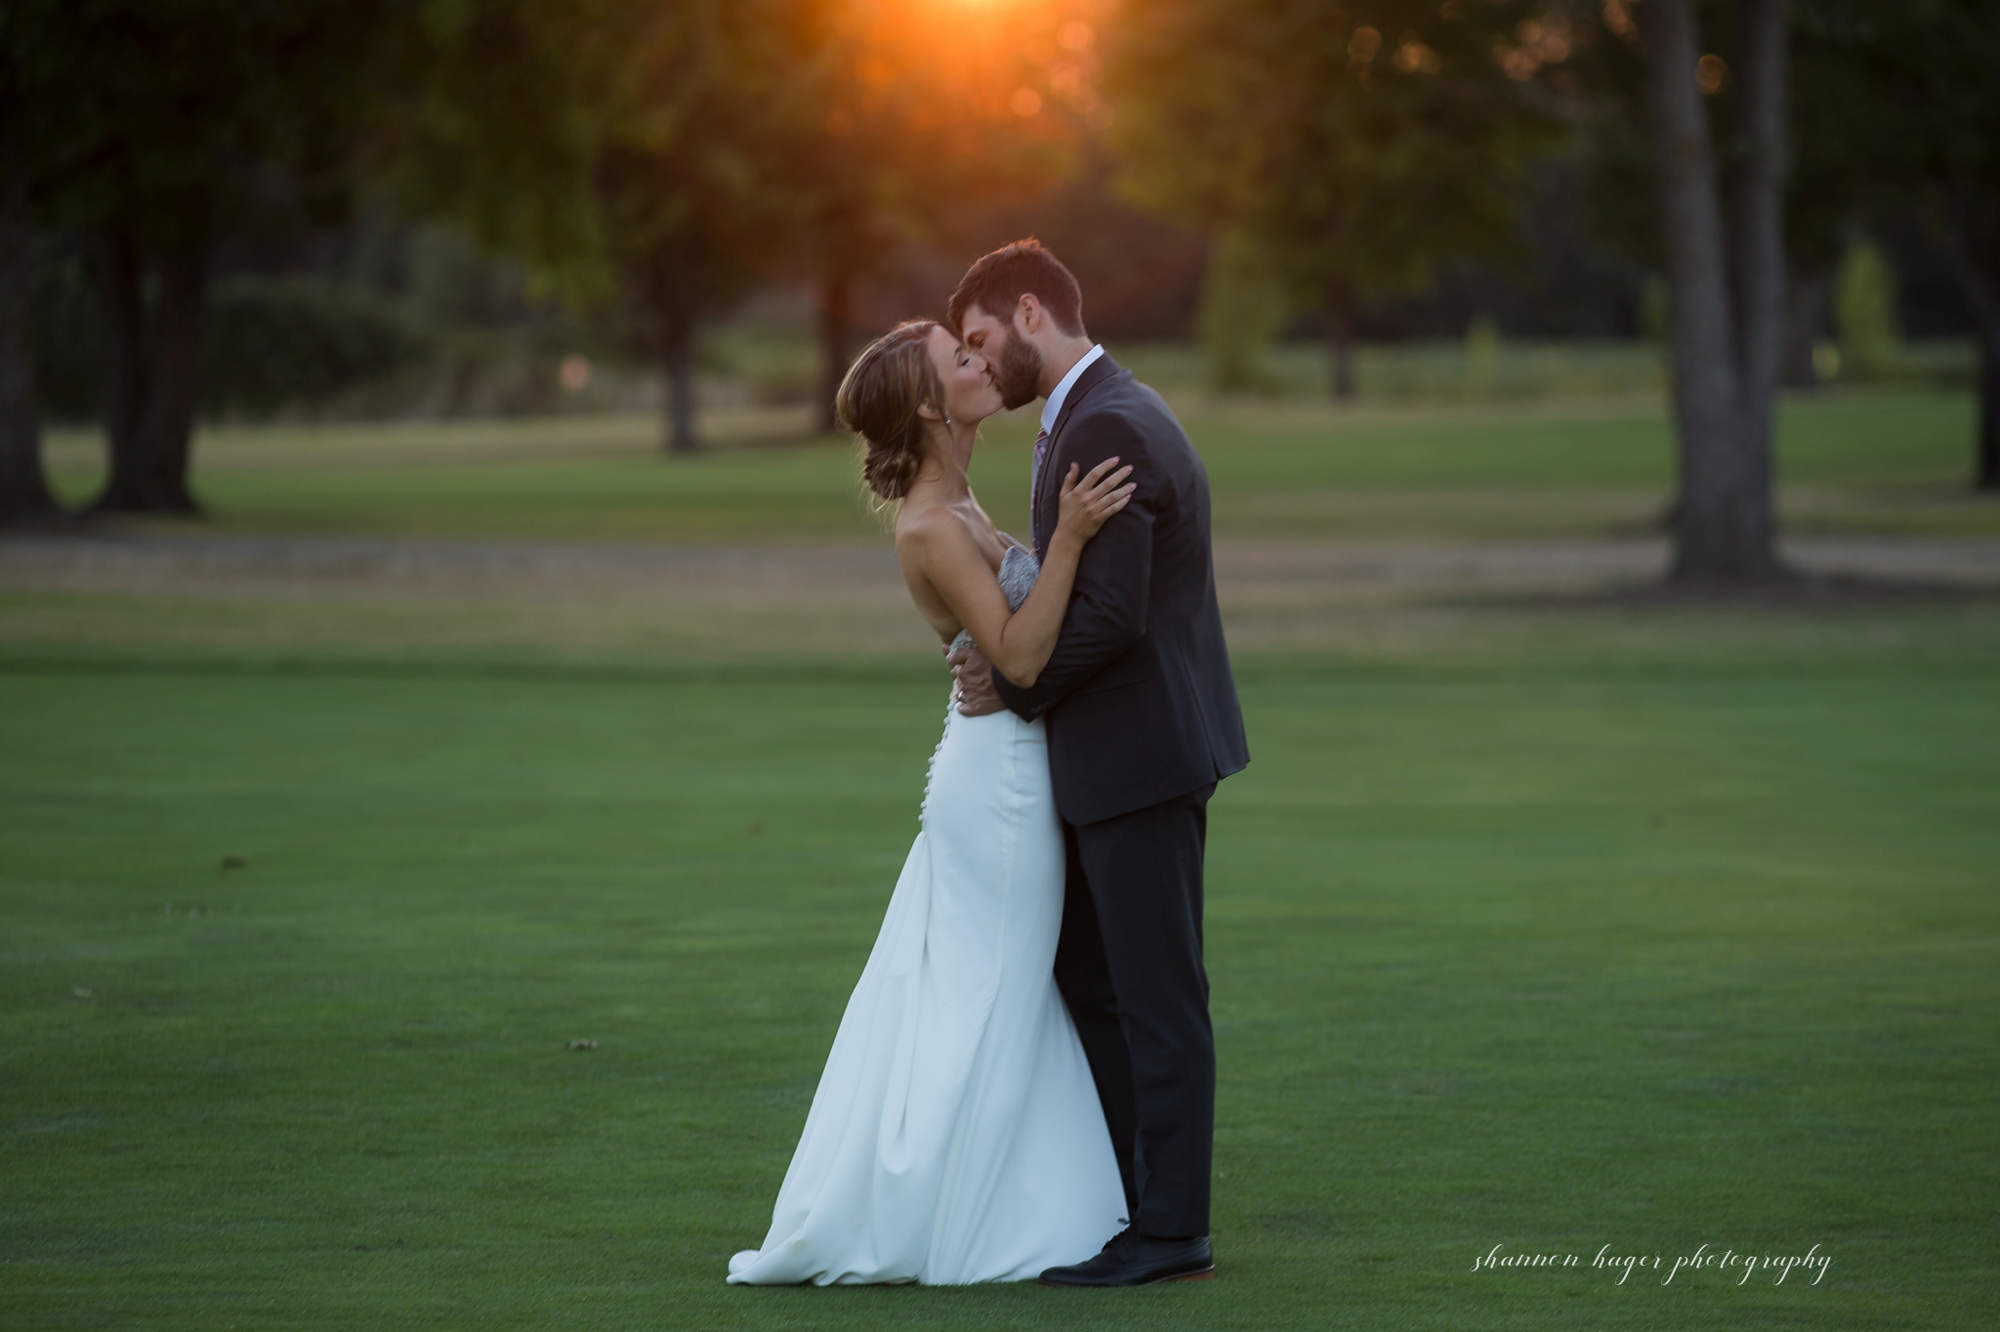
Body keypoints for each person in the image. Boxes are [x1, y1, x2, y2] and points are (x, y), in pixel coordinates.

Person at [726, 317, 1138, 1285]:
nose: (981, 363)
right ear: (924, 404)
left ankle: (1006, 1194)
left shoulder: (959, 501)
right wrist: (1072, 538)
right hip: (998, 788)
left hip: (1016, 764)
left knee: (1000, 988)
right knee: (994, 991)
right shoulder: (927, 524)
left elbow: (1017, 643)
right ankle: (965, 1213)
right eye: (961, 359)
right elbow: (1021, 656)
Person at [947, 239, 1250, 1287]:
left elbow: (1114, 614)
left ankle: (1171, 1232)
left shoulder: (1107, 422)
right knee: (1100, 983)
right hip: (1125, 751)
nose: (977, 361)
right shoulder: (1098, 410)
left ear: (1030, 312)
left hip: (1140, 753)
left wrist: (1014, 680)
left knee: (1155, 995)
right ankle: (1131, 1203)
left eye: (981, 338)